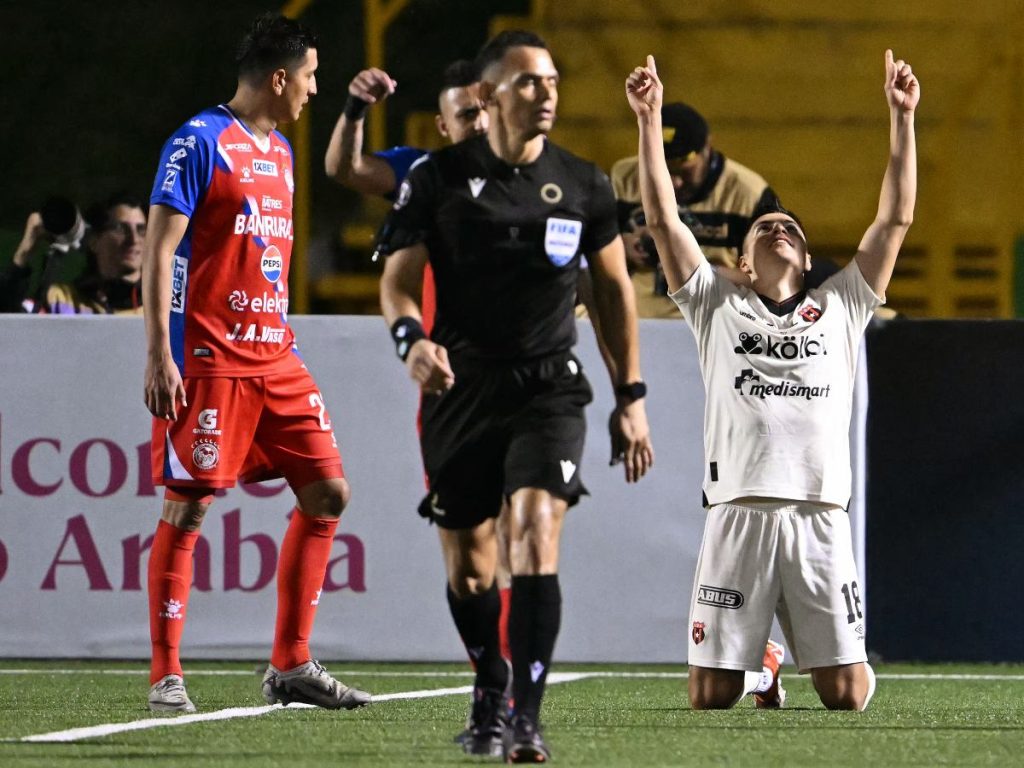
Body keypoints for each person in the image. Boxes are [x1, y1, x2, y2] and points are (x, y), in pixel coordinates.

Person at [376, 30, 654, 762]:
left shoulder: (585, 183)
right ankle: (491, 681)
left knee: (534, 529)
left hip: (547, 388)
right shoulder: (435, 179)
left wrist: (631, 396)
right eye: (530, 81)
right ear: (491, 96)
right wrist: (412, 341)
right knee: (471, 567)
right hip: (461, 387)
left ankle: (526, 717)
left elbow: (615, 293)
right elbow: (398, 280)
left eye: (554, 80)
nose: (548, 93)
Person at [625, 51, 917, 711]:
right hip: (738, 513)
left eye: (790, 228)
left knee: (847, 696)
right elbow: (666, 222)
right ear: (742, 263)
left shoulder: (843, 304)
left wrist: (902, 119)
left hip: (819, 516)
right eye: (766, 227)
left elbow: (894, 220)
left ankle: (796, 652)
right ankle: (762, 665)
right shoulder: (715, 304)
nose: (779, 228)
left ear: (808, 259)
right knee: (711, 696)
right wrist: (647, 122)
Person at [141, 13, 370, 714]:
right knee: (189, 505)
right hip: (210, 359)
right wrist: (160, 353)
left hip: (275, 354)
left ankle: (292, 663)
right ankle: (166, 672)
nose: (313, 89)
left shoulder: (280, 154)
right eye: (309, 76)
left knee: (329, 491)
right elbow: (159, 251)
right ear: (278, 78)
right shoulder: (197, 142)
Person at [610, 102, 778, 317]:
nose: (673, 182)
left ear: (707, 147)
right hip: (637, 318)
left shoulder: (748, 194)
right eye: (661, 167)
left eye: (683, 166)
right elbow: (593, 252)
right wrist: (622, 247)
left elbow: (776, 280)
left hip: (714, 319)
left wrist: (704, 272)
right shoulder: (626, 176)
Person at [0, 194, 146, 314]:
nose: (134, 239)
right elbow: (9, 329)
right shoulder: (60, 298)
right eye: (121, 229)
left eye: (141, 230)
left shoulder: (163, 304)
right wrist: (23, 254)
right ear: (94, 241)